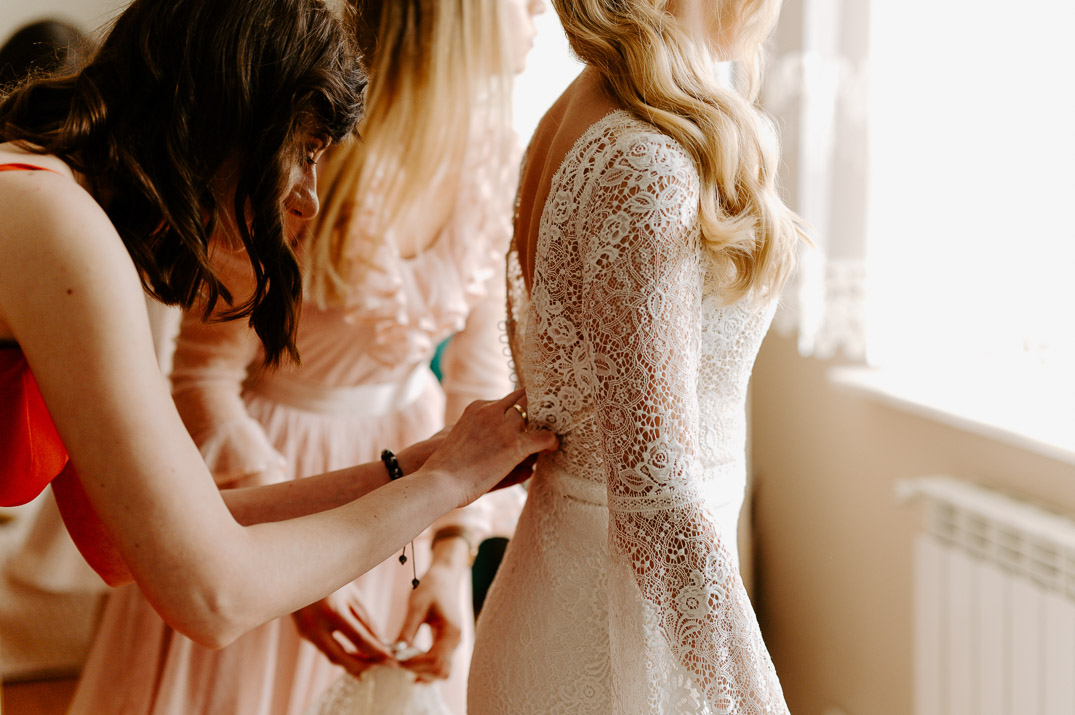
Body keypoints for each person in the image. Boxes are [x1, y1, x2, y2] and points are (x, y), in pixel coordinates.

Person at [0, 0, 555, 663]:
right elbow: (214, 597)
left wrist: (417, 465)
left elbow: (121, 544)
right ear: (226, 116)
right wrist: (441, 485)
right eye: (307, 149)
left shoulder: (60, 205)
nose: (309, 198)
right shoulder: (59, 226)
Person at [467, 0, 807, 712]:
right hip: (610, 637)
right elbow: (658, 496)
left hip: (579, 586)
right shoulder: (644, 158)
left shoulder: (581, 111)